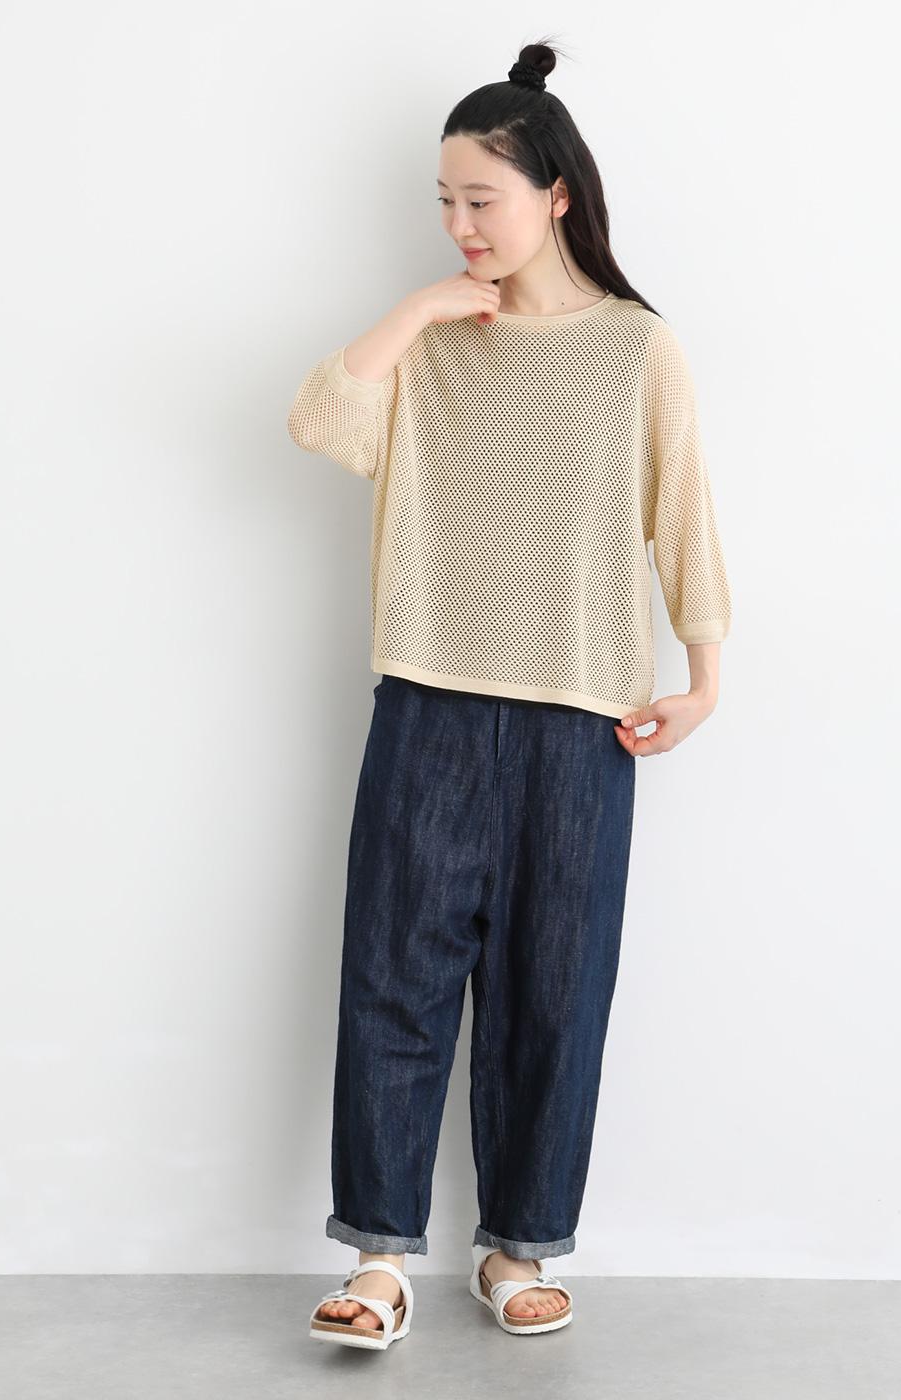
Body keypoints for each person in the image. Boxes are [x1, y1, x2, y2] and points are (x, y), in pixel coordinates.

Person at [289, 38, 732, 1350]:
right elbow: (321, 422)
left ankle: (518, 1246)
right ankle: (378, 1258)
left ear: (557, 194)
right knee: (394, 978)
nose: (461, 224)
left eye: (480, 198)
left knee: (554, 991)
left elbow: (683, 513)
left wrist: (705, 676)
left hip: (582, 716)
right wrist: (417, 310)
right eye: (444, 200)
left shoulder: (637, 349)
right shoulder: (434, 344)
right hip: (427, 696)